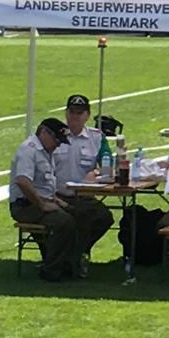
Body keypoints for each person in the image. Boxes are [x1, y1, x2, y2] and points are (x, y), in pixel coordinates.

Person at [8, 117, 85, 282]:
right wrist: (42, 205)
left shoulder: (46, 152)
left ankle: (71, 263)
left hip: (42, 201)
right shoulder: (28, 151)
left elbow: (44, 185)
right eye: (57, 140)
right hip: (25, 206)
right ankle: (52, 269)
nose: (58, 145)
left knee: (82, 214)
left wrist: (56, 201)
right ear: (44, 132)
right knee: (64, 222)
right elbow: (23, 181)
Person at [51, 94, 114, 265]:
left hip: (85, 196)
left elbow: (108, 163)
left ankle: (78, 252)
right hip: (57, 195)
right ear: (66, 113)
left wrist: (96, 172)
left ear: (87, 115)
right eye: (72, 112)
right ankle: (70, 257)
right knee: (78, 219)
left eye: (80, 113)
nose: (75, 117)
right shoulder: (55, 136)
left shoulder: (97, 137)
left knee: (104, 217)